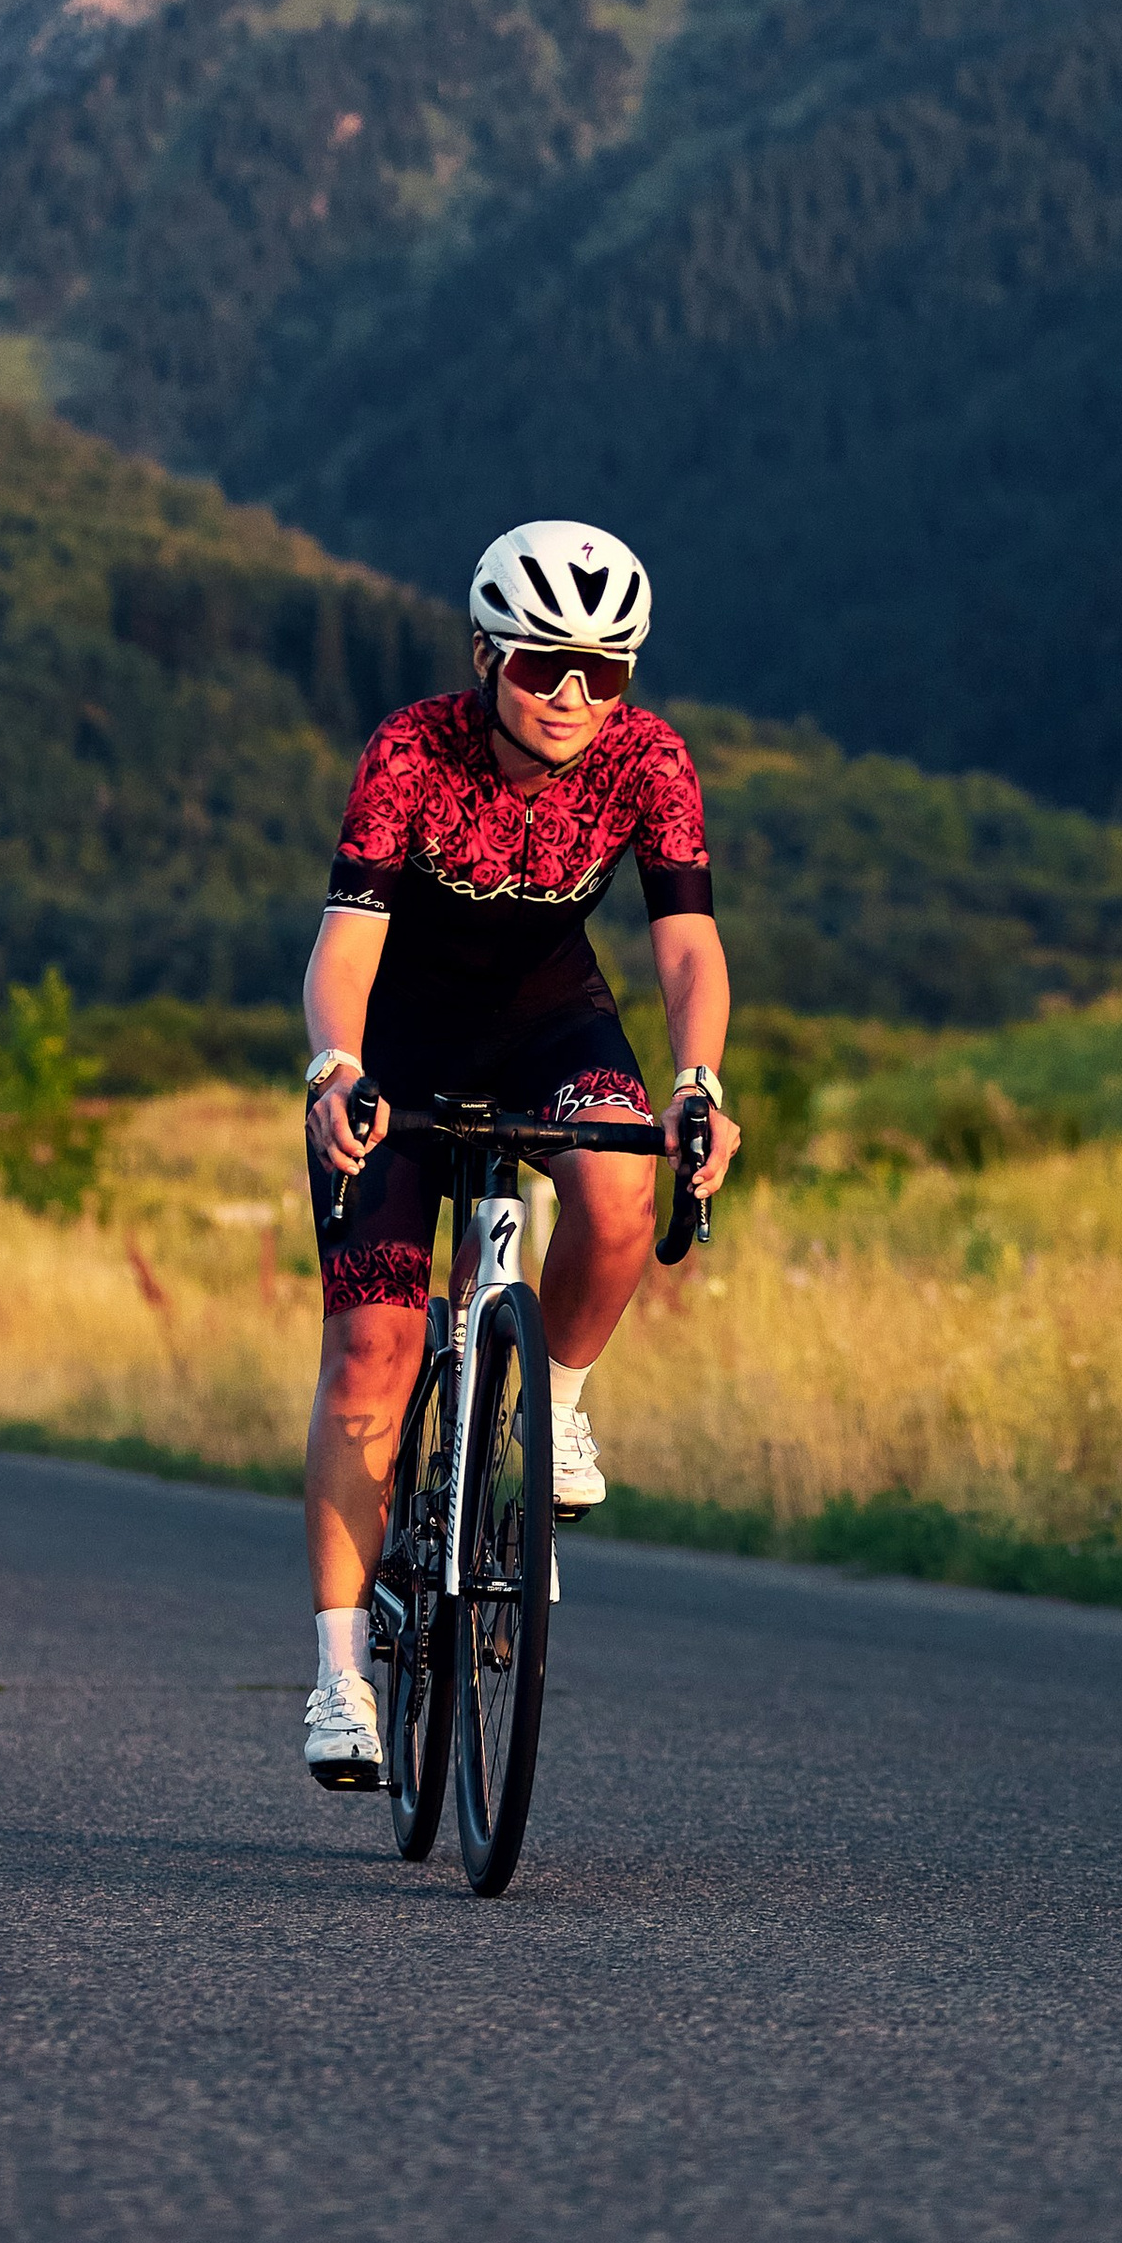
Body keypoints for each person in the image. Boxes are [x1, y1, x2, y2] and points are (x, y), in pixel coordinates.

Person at [297, 516, 740, 1788]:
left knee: (619, 1181)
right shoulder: (409, 752)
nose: (572, 695)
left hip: (549, 1017)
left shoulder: (650, 761)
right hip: (401, 1039)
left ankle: (555, 1405)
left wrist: (699, 1079)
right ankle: (337, 1678)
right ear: (488, 653)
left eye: (605, 671)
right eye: (547, 663)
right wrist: (336, 1066)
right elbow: (345, 942)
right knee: (369, 1364)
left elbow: (688, 946)